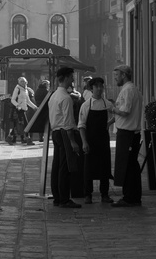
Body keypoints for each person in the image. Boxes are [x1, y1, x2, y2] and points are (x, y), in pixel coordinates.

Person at [49, 65, 83, 209]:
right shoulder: (66, 98)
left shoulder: (54, 96)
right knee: (66, 166)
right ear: (67, 78)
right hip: (64, 133)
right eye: (72, 77)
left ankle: (57, 197)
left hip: (55, 132)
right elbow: (68, 122)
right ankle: (64, 199)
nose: (73, 79)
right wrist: (73, 142)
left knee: (57, 165)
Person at [112, 64, 144, 207]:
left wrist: (111, 109)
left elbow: (125, 111)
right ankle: (132, 196)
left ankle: (130, 197)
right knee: (130, 165)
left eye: (117, 75)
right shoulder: (129, 89)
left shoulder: (128, 90)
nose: (115, 79)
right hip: (128, 132)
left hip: (128, 133)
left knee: (128, 165)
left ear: (124, 75)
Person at [78, 76, 114, 204]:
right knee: (88, 168)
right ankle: (88, 194)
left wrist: (109, 123)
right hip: (90, 140)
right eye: (96, 86)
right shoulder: (86, 105)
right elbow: (81, 125)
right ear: (91, 88)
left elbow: (117, 113)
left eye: (101, 86)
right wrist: (84, 142)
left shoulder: (107, 103)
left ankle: (105, 194)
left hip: (103, 140)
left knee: (105, 166)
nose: (99, 89)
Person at [11, 75, 37, 145]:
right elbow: (12, 100)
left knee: (18, 125)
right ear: (19, 82)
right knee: (26, 125)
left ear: (26, 82)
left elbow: (28, 101)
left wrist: (34, 107)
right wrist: (18, 105)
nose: (23, 83)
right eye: (21, 81)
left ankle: (10, 137)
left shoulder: (26, 90)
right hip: (19, 110)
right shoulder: (17, 88)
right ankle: (28, 139)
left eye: (24, 81)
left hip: (24, 109)